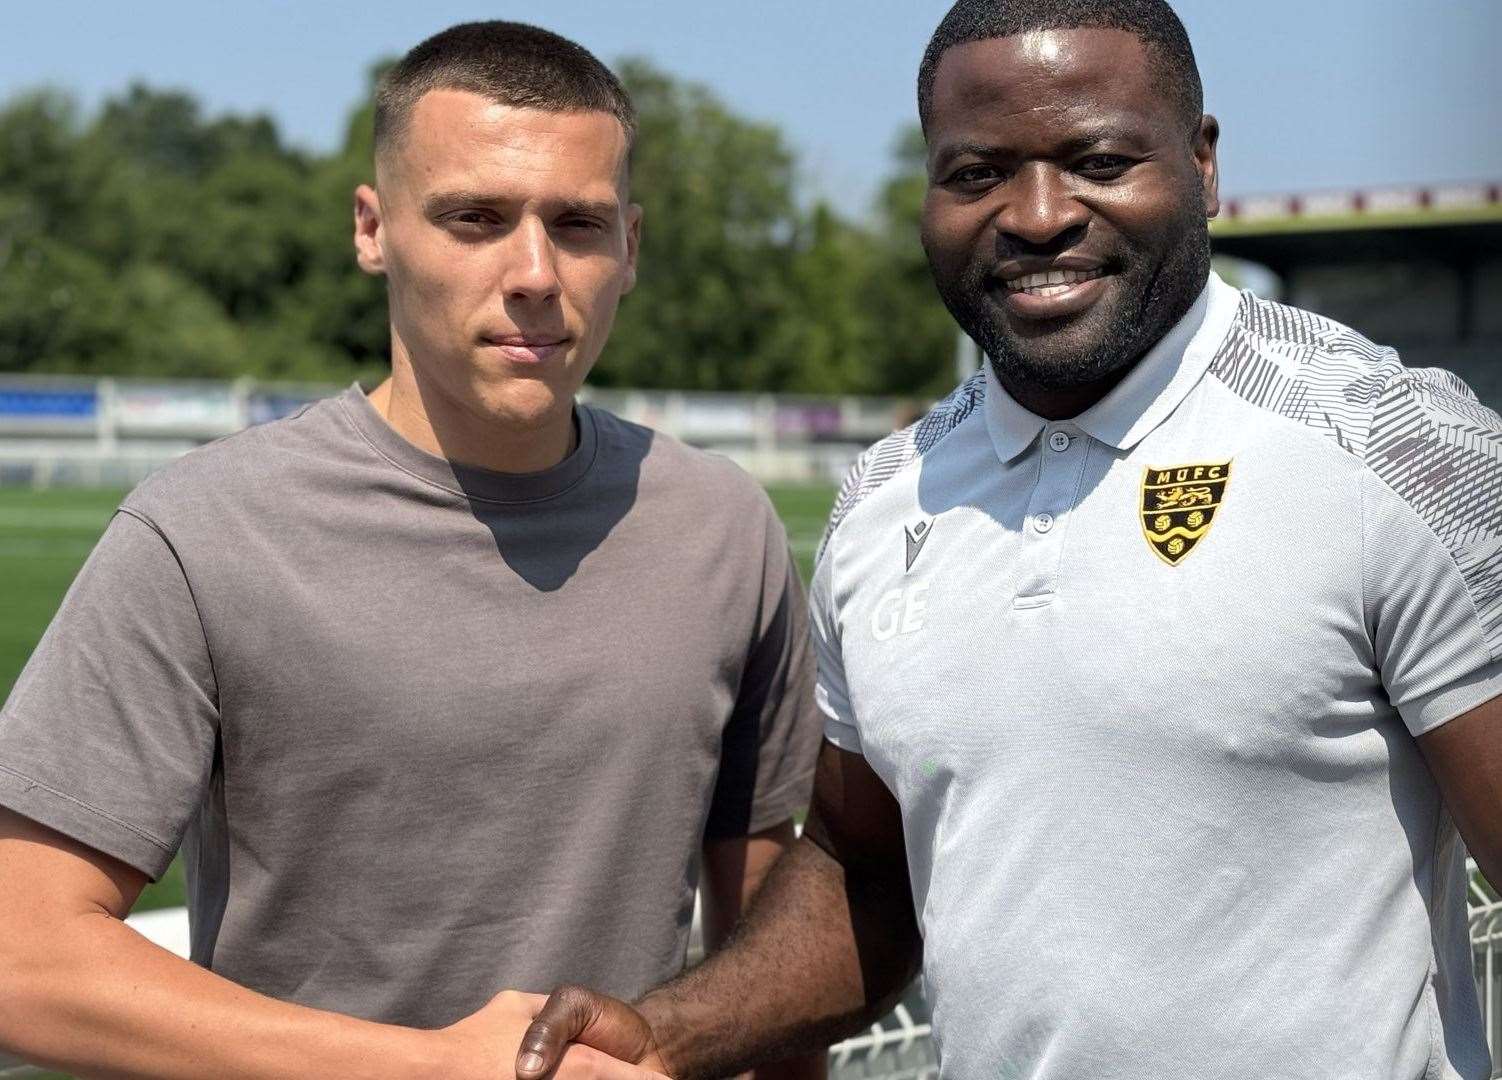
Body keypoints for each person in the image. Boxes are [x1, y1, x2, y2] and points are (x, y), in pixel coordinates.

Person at [514, 1, 1502, 1076]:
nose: (1035, 215)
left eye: (1097, 158)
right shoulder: (885, 500)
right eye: (976, 173)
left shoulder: (1399, 449)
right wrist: (665, 1036)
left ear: (1203, 165)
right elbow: (863, 870)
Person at [0, 20, 822, 1080]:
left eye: (576, 224)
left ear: (631, 245)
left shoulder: (722, 528)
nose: (534, 271)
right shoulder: (201, 532)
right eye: (475, 217)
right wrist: (430, 1068)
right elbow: (23, 953)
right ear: (372, 227)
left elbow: (765, 970)